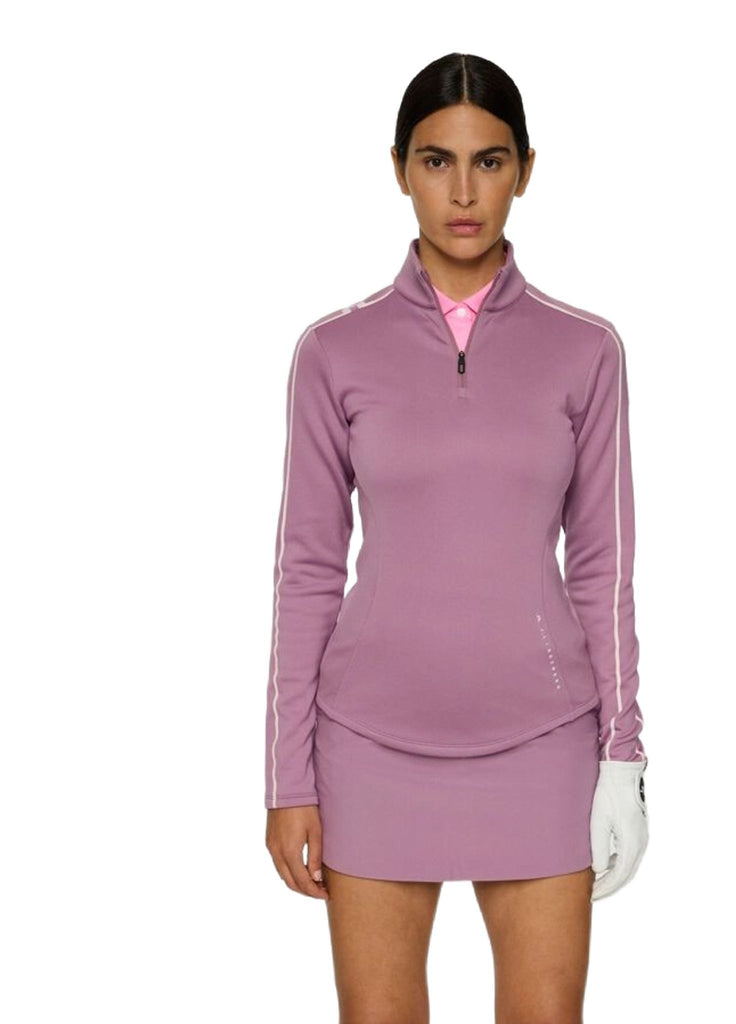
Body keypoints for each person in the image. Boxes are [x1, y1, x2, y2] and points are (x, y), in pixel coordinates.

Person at [264, 52, 649, 1022]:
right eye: (437, 162)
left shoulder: (586, 350)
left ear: (526, 169)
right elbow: (305, 571)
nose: (464, 192)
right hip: (369, 745)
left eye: (490, 161)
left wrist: (624, 757)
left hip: (542, 743)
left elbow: (602, 566)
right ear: (400, 168)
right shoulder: (333, 352)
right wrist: (287, 776)